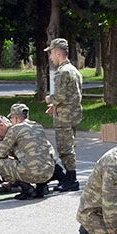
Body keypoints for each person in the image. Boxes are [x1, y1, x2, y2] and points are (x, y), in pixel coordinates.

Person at [0, 104, 58, 200]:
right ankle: (41, 187)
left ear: (15, 118)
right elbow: (51, 151)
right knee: (42, 158)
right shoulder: (38, 126)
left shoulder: (15, 129)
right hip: (48, 172)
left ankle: (27, 189)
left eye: (11, 119)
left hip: (30, 173)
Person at [44, 38, 83, 192]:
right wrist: (54, 106)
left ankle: (71, 179)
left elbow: (59, 96)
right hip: (72, 114)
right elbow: (72, 95)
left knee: (65, 148)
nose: (50, 57)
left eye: (51, 53)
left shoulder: (62, 72)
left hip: (64, 117)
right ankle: (69, 176)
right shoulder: (74, 70)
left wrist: (49, 99)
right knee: (69, 146)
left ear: (58, 52)